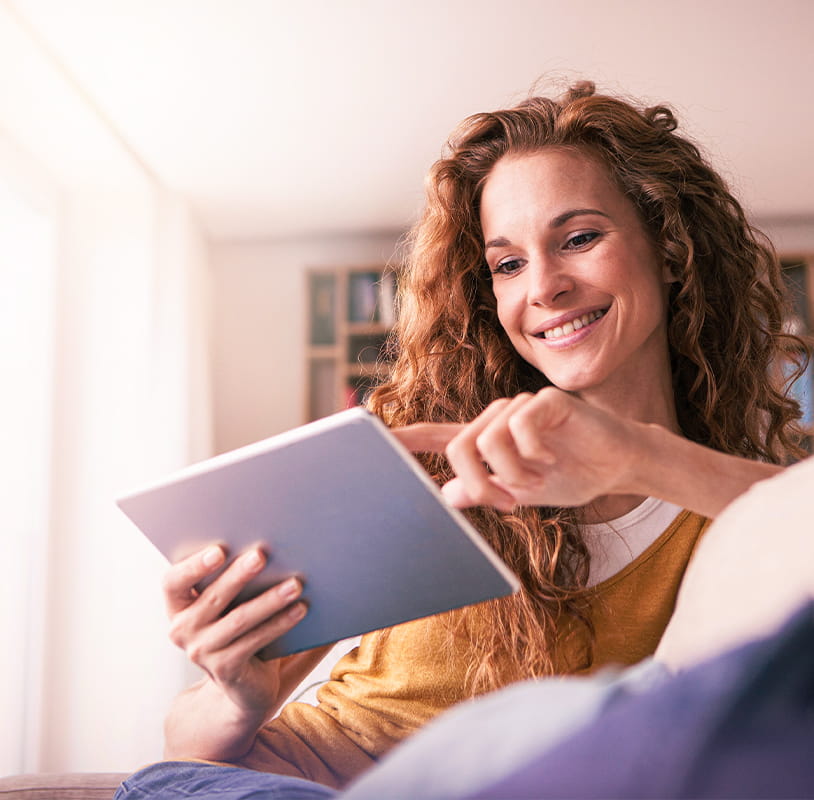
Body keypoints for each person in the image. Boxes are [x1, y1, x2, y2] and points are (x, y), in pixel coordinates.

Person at [147, 81, 808, 793]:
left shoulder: (735, 508)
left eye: (580, 238)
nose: (543, 288)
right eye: (508, 264)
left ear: (671, 249)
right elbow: (185, 753)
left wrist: (636, 456)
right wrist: (235, 695)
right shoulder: (424, 469)